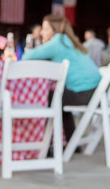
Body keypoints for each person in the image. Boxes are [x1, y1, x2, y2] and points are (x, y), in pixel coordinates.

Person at [22, 14, 102, 142]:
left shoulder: (57, 42)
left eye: (45, 28)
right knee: (59, 97)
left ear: (55, 30)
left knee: (48, 97)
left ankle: (45, 145)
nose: (42, 32)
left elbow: (27, 57)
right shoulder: (68, 40)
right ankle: (72, 143)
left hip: (84, 93)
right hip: (96, 92)